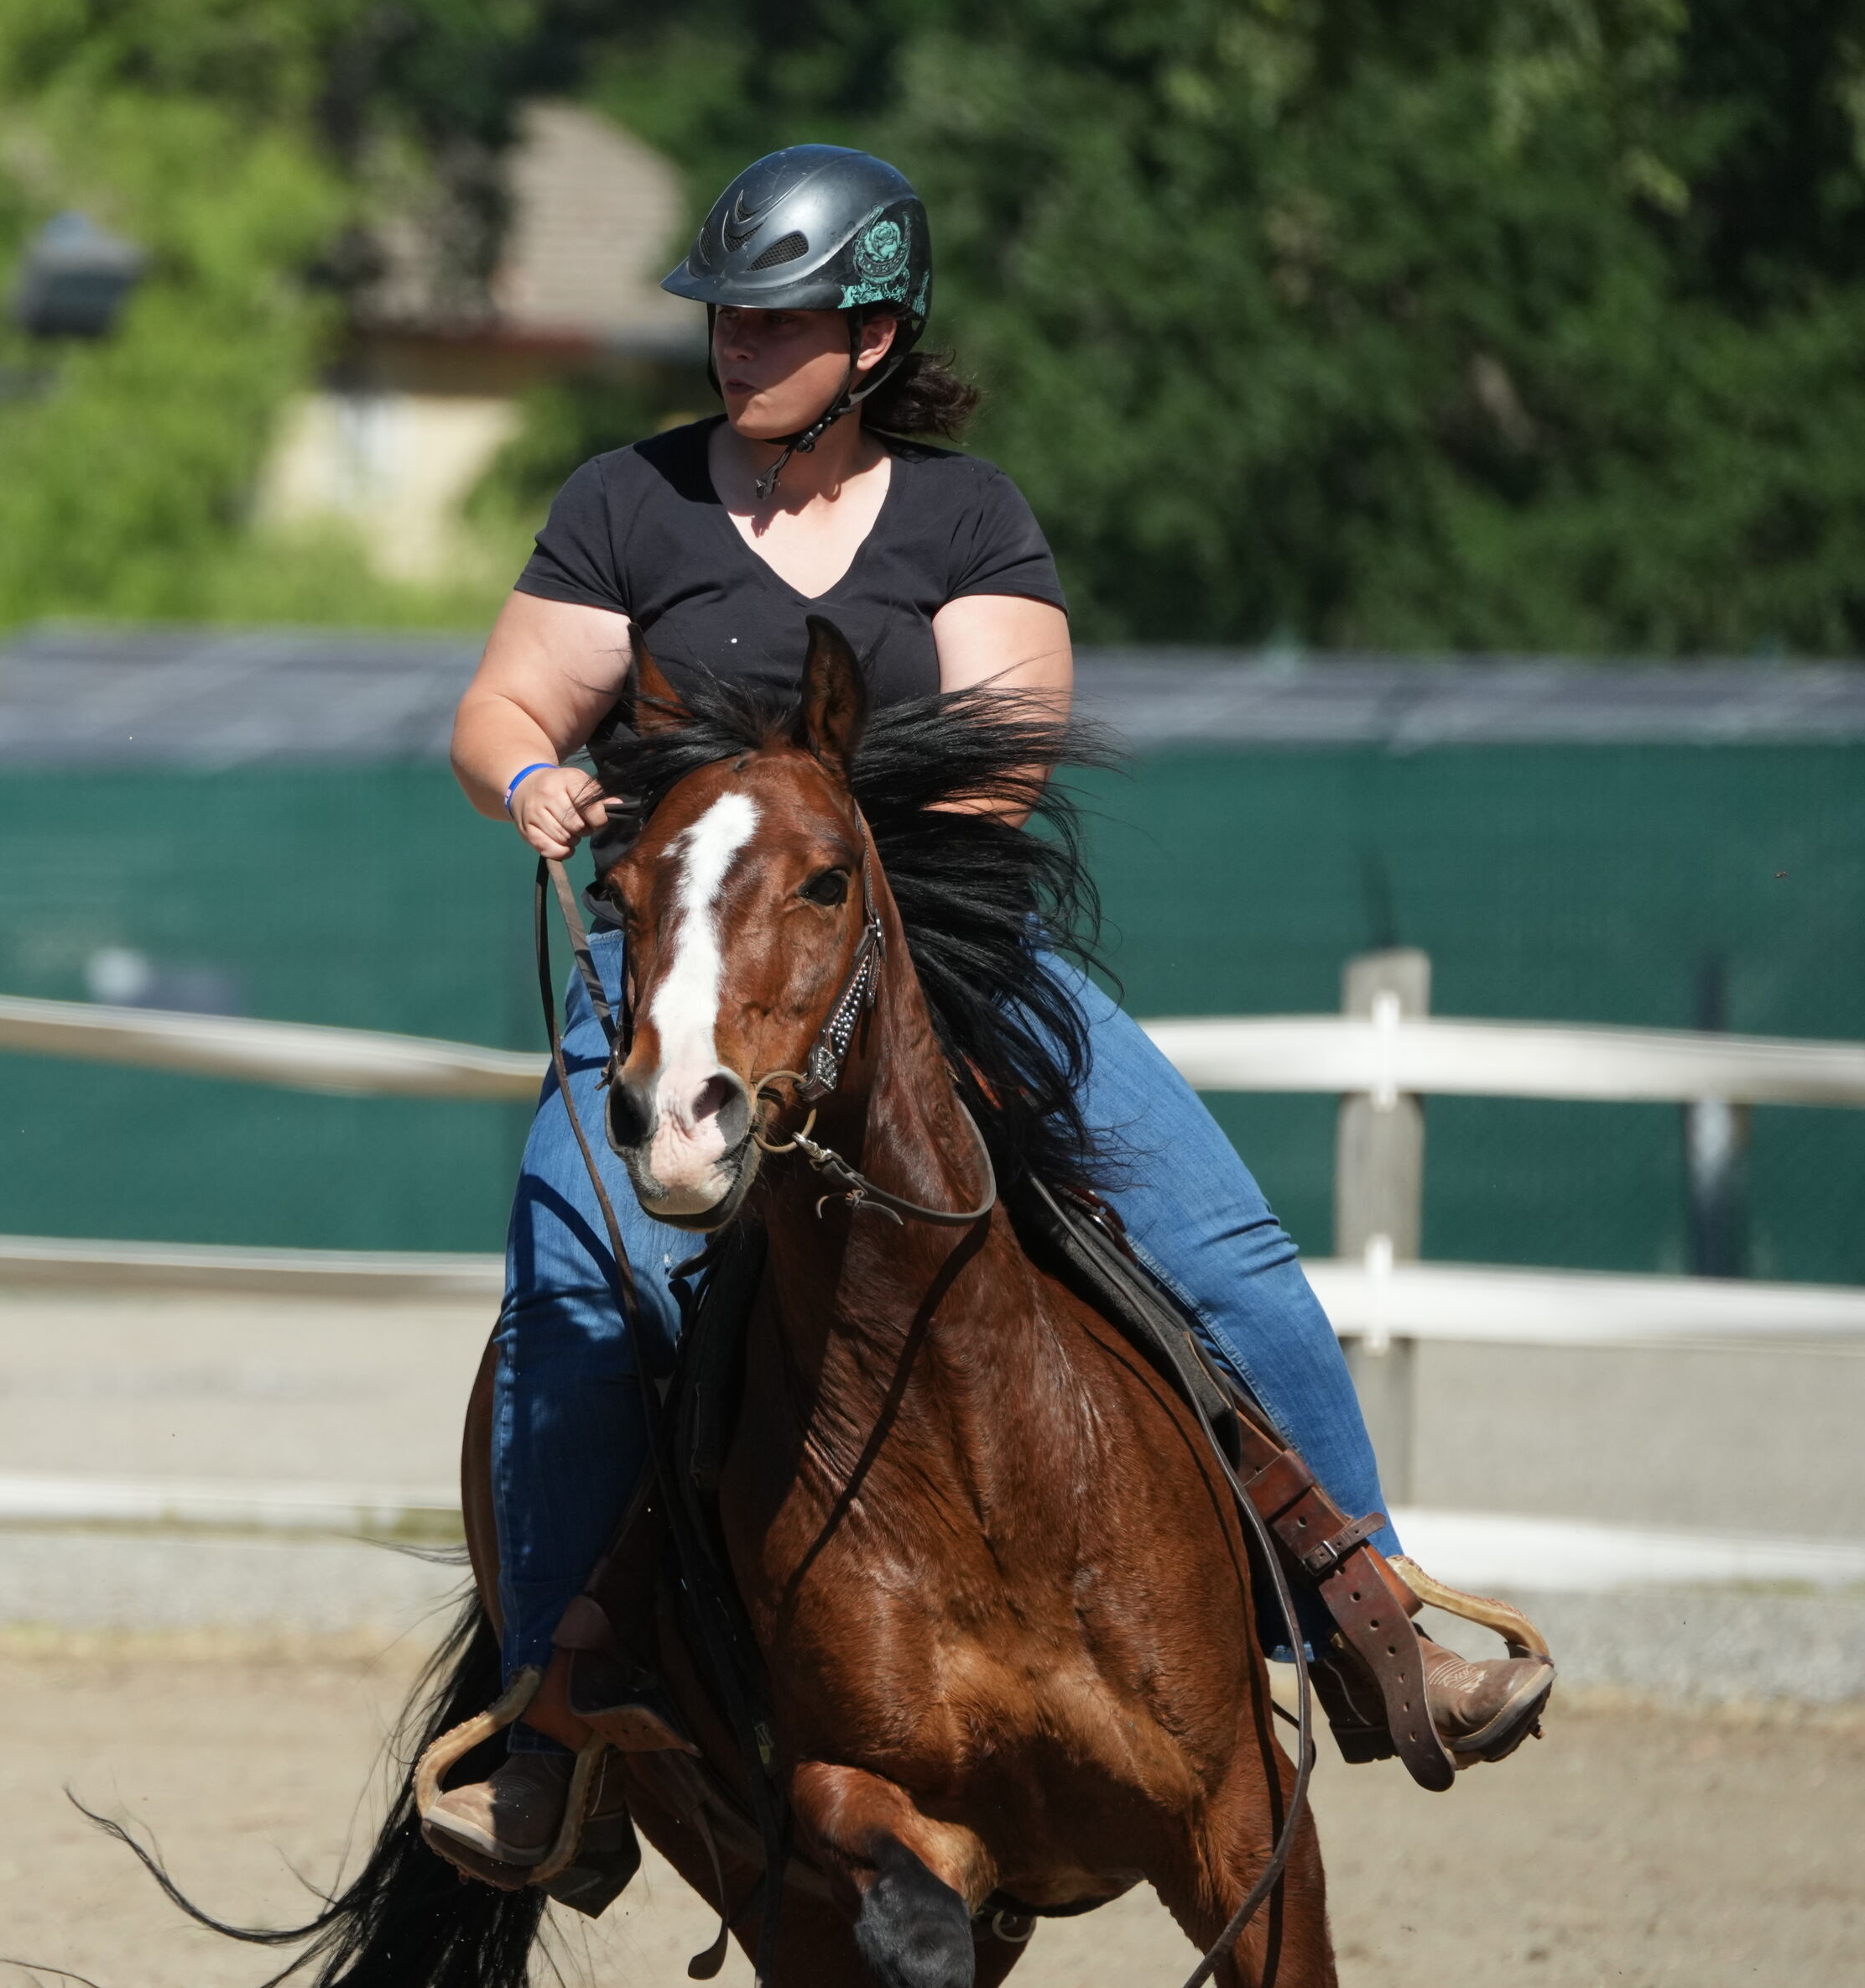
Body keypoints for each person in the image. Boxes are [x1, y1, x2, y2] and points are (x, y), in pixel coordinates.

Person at [428, 144, 1553, 1871]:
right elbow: (508, 699)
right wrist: (528, 781)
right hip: (672, 983)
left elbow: (1003, 764)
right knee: (576, 1272)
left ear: (872, 337)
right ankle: (545, 1724)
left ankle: (1367, 1615)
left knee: (1217, 1238)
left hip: (950, 967)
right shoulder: (624, 504)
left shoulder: (967, 516)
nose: (737, 345)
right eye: (727, 316)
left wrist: (826, 875)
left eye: (779, 320)